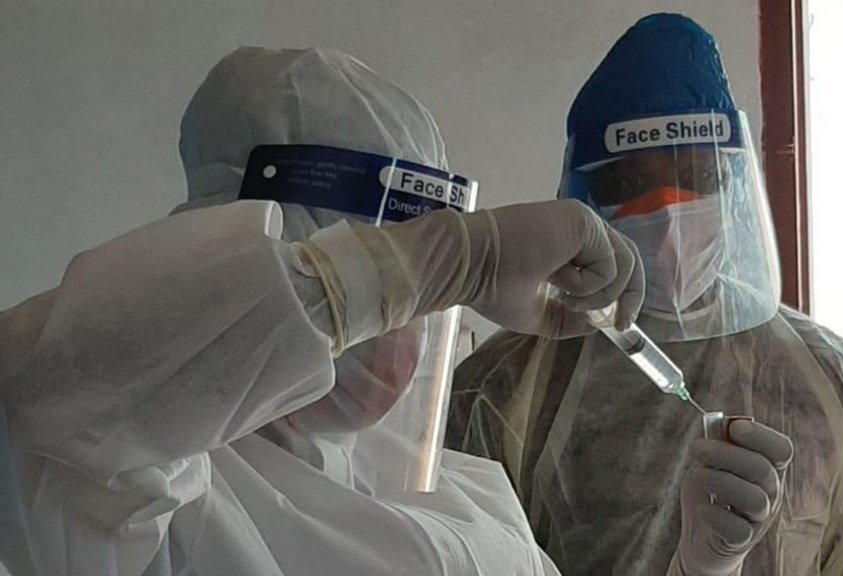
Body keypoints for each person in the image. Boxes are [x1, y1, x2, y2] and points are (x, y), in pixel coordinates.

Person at [0, 47, 648, 576]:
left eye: (422, 289)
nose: (405, 326)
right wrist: (449, 259)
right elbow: (62, 387)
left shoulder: (460, 490)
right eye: (383, 270)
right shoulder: (143, 486)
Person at [446, 13, 843, 576]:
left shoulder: (830, 385)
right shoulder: (500, 389)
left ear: (733, 185)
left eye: (696, 177)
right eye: (629, 185)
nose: (667, 215)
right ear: (586, 197)